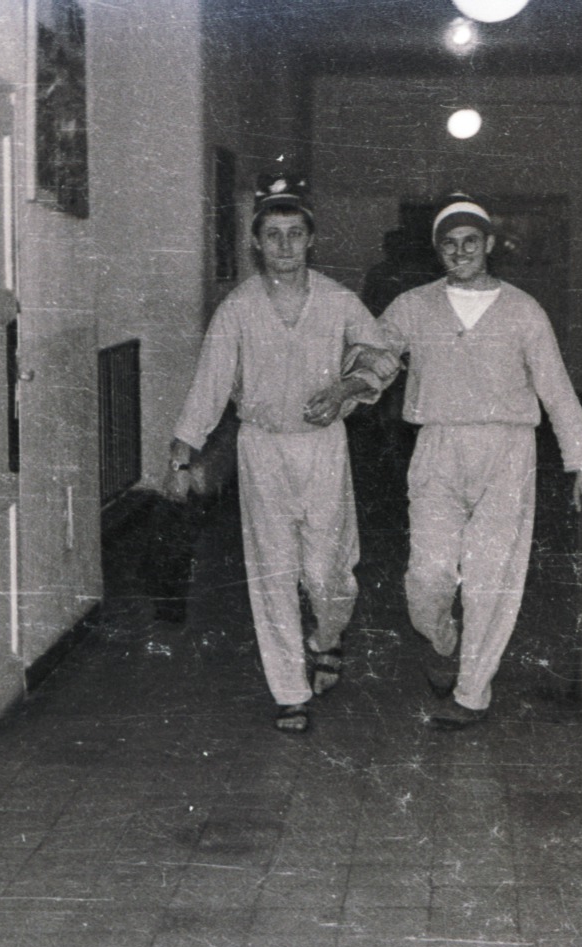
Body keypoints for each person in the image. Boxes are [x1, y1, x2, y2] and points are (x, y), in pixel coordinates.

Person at [166, 177, 398, 734]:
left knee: (328, 572)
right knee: (272, 571)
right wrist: (181, 456)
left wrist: (345, 388)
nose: (285, 245)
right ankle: (289, 692)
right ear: (256, 242)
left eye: (295, 234)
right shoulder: (238, 309)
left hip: (323, 447)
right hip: (262, 448)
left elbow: (384, 358)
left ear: (311, 239)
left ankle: (327, 636)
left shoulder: (338, 301)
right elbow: (209, 386)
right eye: (273, 235)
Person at [379, 195, 582, 731]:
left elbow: (557, 390)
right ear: (437, 250)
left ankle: (472, 693)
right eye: (449, 245)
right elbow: (374, 357)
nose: (460, 253)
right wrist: (345, 386)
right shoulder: (412, 306)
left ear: (490, 245)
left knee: (491, 578)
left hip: (508, 451)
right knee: (427, 574)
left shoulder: (524, 311)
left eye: (471, 243)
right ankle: (441, 638)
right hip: (437, 446)